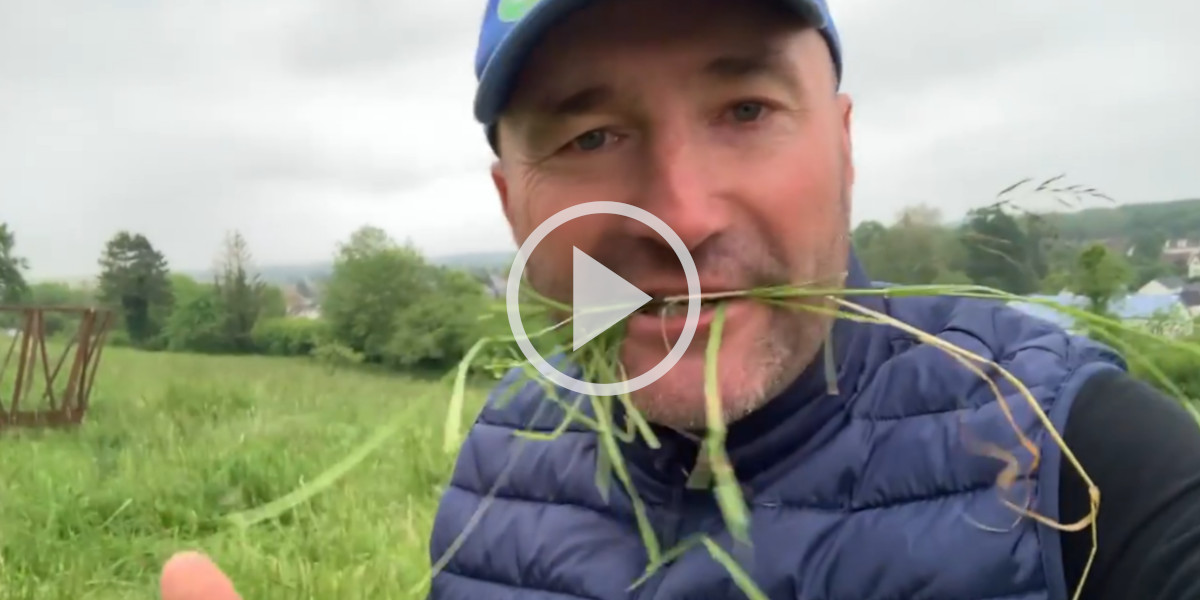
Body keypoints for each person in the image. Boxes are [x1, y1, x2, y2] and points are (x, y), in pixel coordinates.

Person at [159, 0, 1200, 598]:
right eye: (592, 137)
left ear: (840, 147)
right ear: (515, 212)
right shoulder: (502, 458)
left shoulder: (1076, 450)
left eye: (745, 108)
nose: (683, 213)